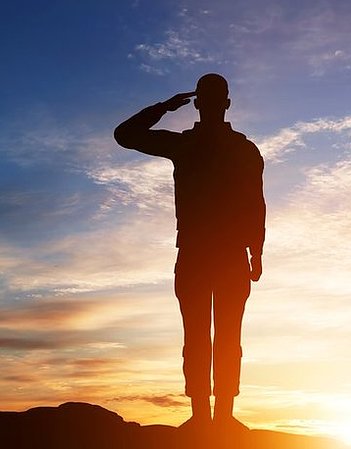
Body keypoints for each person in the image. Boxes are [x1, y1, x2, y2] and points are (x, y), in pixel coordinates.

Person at [114, 74, 265, 432]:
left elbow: (125, 134)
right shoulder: (234, 148)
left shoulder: (192, 145)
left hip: (207, 255)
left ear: (197, 104)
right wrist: (256, 252)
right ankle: (212, 415)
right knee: (218, 336)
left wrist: (165, 108)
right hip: (217, 255)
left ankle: (213, 415)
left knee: (206, 336)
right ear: (226, 103)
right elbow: (256, 205)